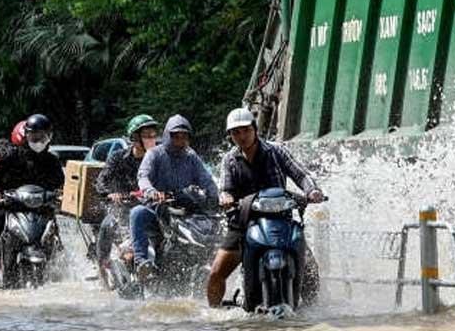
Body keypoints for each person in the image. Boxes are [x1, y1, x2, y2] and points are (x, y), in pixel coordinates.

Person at [206, 107, 324, 307]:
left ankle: (312, 311)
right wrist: (225, 197)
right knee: (216, 273)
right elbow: (225, 189)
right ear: (231, 136)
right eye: (236, 133)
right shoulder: (230, 160)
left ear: (254, 129)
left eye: (245, 130)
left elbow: (301, 175)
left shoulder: (276, 151)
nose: (241, 136)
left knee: (311, 270)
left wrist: (312, 191)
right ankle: (214, 313)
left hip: (282, 220)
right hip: (243, 222)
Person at [130, 114, 219, 275]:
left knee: (216, 226)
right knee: (137, 213)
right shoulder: (154, 154)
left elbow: (207, 179)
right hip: (159, 209)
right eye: (176, 137)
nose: (180, 141)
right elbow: (143, 176)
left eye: (184, 137)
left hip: (187, 211)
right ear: (167, 136)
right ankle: (141, 262)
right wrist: (152, 192)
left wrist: (216, 196)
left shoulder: (191, 157)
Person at [0, 113, 65, 279]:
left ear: (49, 137)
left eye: (42, 136)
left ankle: (58, 267)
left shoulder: (52, 161)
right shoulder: (11, 156)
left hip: (41, 207)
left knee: (54, 231)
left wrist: (60, 193)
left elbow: (60, 182)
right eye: (33, 136)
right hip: (12, 205)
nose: (38, 140)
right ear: (26, 135)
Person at [94, 114, 161, 277]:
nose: (152, 139)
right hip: (121, 210)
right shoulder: (117, 157)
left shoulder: (159, 159)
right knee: (106, 226)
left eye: (153, 135)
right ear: (135, 137)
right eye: (147, 136)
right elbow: (101, 180)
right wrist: (110, 194)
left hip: (150, 210)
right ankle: (102, 270)